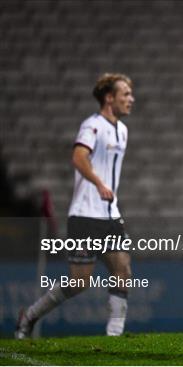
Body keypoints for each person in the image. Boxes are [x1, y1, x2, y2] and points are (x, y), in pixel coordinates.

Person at [15, 73, 135, 338]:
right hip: (85, 214)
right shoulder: (91, 126)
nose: (131, 99)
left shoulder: (123, 130)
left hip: (110, 215)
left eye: (130, 94)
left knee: (123, 269)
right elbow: (79, 158)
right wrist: (98, 183)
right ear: (109, 97)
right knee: (80, 281)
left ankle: (115, 335)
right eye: (125, 94)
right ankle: (30, 315)